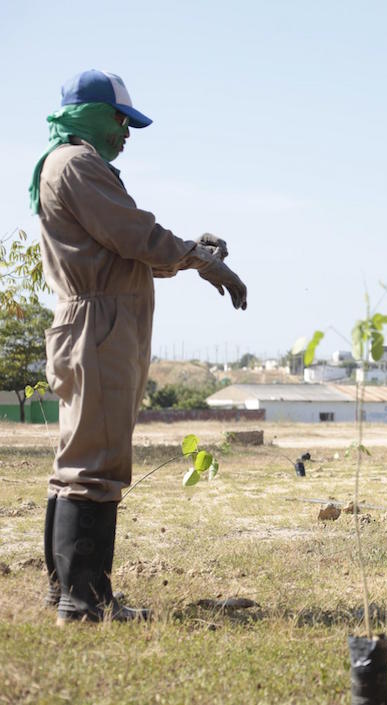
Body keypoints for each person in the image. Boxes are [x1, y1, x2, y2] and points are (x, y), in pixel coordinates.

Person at [31, 70, 248, 623]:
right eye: (122, 120)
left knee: (79, 460)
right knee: (96, 465)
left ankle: (67, 594)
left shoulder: (73, 166)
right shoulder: (77, 164)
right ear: (94, 116)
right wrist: (199, 258)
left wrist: (191, 251)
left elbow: (130, 250)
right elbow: (135, 234)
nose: (127, 132)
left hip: (97, 320)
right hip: (99, 326)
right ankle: (86, 602)